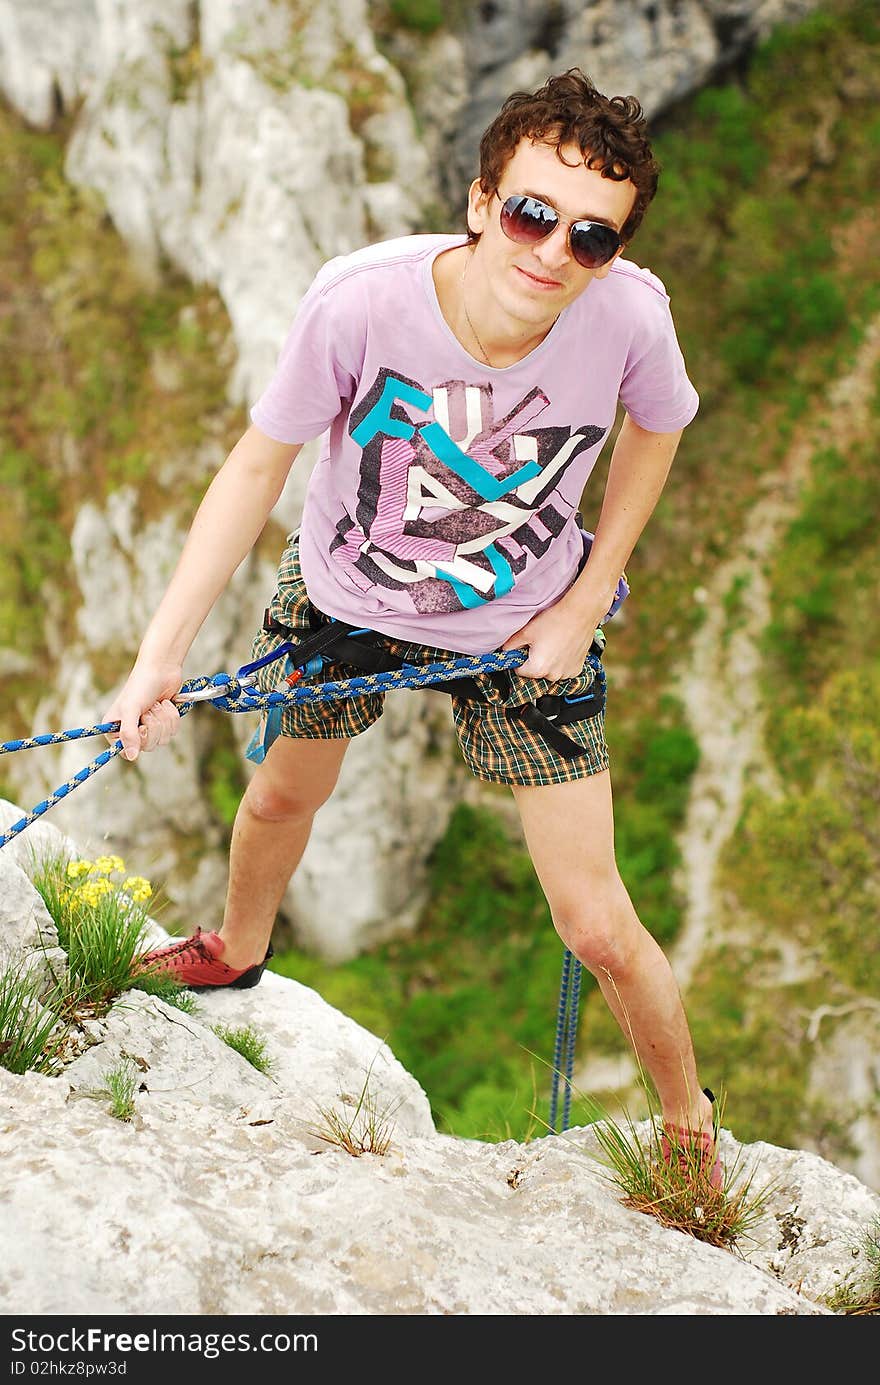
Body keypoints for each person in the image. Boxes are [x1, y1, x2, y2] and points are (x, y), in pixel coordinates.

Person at [107, 69, 721, 1186]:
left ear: (615, 251)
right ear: (481, 201)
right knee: (284, 794)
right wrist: (160, 656)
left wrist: (583, 602)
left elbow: (658, 429)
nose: (550, 252)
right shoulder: (360, 302)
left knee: (593, 920)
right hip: (349, 593)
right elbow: (258, 467)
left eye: (590, 237)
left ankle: (687, 1120)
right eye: (531, 214)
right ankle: (238, 950)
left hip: (522, 618)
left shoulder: (630, 315)